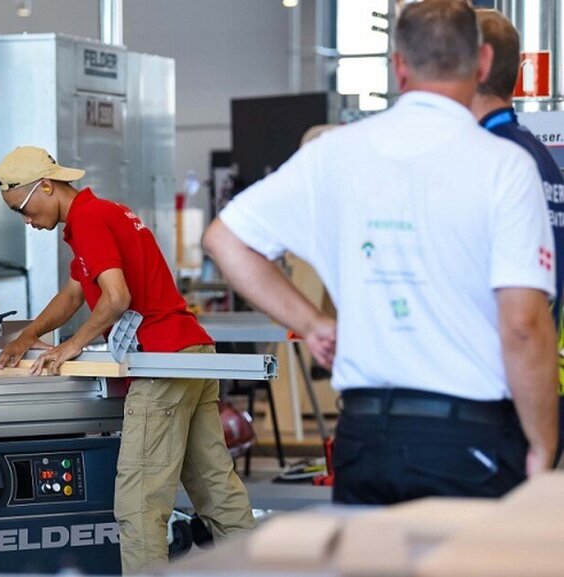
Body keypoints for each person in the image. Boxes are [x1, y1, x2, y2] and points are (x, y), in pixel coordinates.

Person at [203, 0, 558, 505]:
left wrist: (312, 323)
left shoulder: (334, 152)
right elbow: (524, 325)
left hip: (365, 441)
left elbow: (225, 239)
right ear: (481, 63)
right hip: (467, 443)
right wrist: (543, 448)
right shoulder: (504, 165)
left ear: (399, 66)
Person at [0, 146, 254, 573]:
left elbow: (116, 299)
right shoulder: (104, 213)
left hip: (162, 365)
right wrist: (31, 334)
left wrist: (69, 346)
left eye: (21, 208)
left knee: (139, 505)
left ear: (45, 186)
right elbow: (76, 292)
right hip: (192, 354)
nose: (25, 220)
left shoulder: (89, 220)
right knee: (216, 491)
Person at [470, 8, 564, 467]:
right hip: (540, 387)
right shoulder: (538, 156)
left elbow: (519, 314)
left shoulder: (494, 159)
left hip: (499, 398)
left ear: (479, 64)